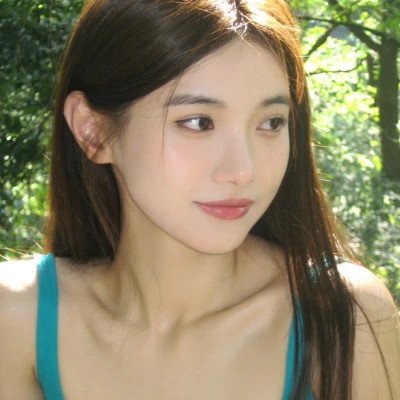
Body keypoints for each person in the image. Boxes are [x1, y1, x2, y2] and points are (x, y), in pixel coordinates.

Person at [1, 0, 399, 398]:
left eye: (271, 123)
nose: (243, 171)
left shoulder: (346, 317)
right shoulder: (15, 319)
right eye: (198, 122)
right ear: (93, 131)